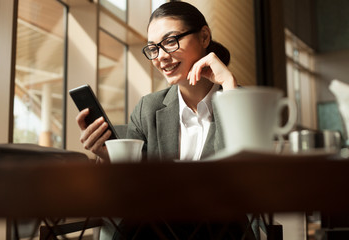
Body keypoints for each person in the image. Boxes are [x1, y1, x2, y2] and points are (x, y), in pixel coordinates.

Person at [76, 2, 257, 239]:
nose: (161, 57)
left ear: (204, 37)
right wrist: (108, 155)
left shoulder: (246, 103)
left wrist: (229, 87)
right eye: (153, 48)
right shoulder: (148, 109)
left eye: (170, 41)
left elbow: (246, 182)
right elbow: (134, 184)